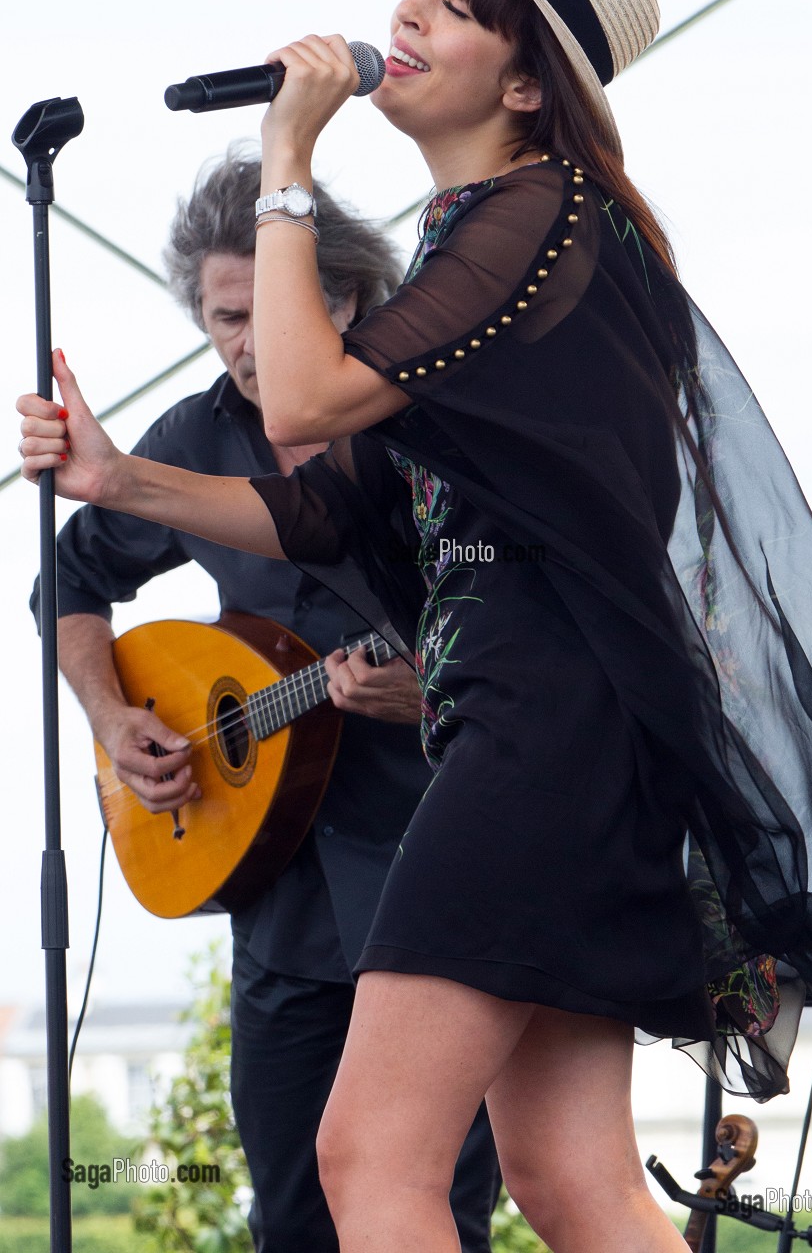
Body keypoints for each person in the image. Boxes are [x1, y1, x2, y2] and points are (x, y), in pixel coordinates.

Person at [19, 0, 812, 1251]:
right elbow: (332, 510)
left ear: (522, 85)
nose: (411, 12)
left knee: (369, 1159)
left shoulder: (535, 213)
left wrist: (286, 160)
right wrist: (119, 479)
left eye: (457, 6)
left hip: (540, 732)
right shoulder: (486, 247)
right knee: (572, 1184)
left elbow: (300, 405)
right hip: (556, 732)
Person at [27, 147, 500, 1253]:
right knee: (290, 1213)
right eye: (221, 314)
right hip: (278, 897)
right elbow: (70, 578)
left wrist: (427, 692)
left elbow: (535, 641)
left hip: (437, 885)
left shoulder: (430, 428)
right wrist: (109, 714)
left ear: (337, 292)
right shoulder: (194, 439)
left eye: (261, 307)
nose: (244, 340)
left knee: (437, 1205)